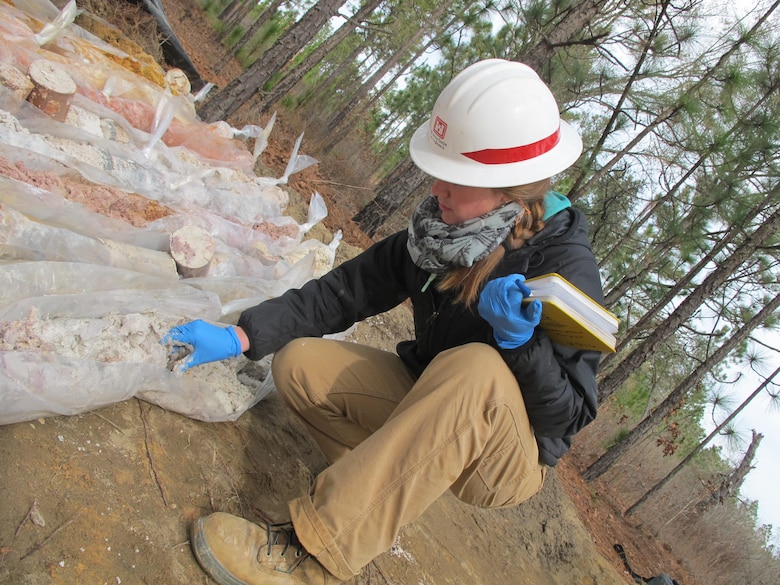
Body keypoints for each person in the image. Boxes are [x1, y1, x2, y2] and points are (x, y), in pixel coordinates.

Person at [162, 58, 603, 585]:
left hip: (501, 455)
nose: (437, 189)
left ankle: (315, 557)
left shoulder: (563, 263)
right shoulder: (441, 232)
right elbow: (344, 292)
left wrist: (520, 344)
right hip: (429, 404)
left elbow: (568, 417)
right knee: (300, 365)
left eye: (457, 179)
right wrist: (241, 333)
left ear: (508, 187)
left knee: (480, 368)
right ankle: (376, 493)